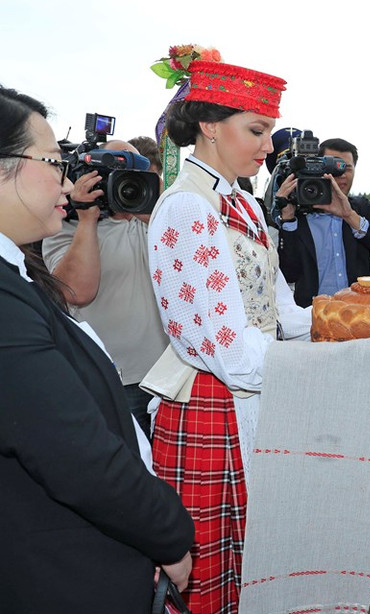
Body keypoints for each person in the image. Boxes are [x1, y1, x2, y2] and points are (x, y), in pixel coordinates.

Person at [0, 85, 194, 612]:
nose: (64, 180)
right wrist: (169, 533)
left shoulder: (15, 272)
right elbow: (74, 454)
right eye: (52, 162)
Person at [145, 55, 312, 614]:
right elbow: (226, 347)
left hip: (257, 395)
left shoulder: (241, 202)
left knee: (255, 565)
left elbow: (281, 312)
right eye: (257, 131)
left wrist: (352, 318)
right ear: (211, 127)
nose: (268, 148)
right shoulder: (187, 206)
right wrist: (315, 368)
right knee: (215, 577)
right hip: (215, 402)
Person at [42, 138, 168, 436]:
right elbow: (76, 292)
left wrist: (153, 207)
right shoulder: (65, 227)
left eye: (135, 175)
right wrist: (87, 217)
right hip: (112, 379)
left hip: (168, 375)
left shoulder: (156, 222)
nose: (125, 184)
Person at [272, 131, 370, 306]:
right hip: (312, 316)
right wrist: (288, 219)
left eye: (347, 167)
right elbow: (289, 274)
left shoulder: (360, 208)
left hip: (357, 312)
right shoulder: (297, 213)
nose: (342, 174)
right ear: (315, 167)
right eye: (333, 166)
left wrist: (350, 216)